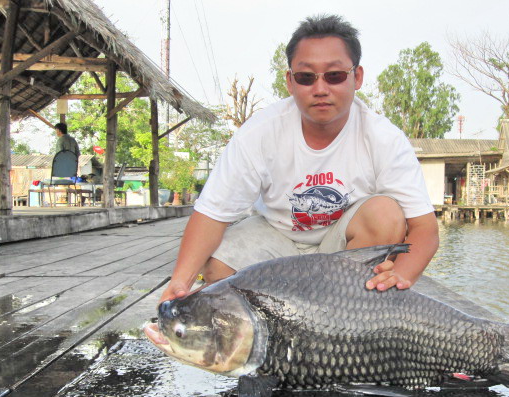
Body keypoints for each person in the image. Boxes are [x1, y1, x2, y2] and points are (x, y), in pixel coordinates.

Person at [159, 14, 439, 305]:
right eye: (307, 77)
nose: (320, 89)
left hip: (344, 250)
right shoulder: (259, 132)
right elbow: (211, 216)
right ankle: (280, 322)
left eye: (335, 76)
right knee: (217, 265)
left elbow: (425, 229)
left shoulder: (384, 138)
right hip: (277, 237)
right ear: (290, 82)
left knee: (386, 214)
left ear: (357, 77)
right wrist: (180, 282)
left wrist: (399, 278)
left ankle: (343, 310)